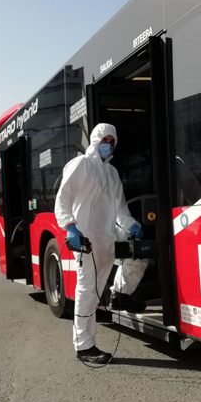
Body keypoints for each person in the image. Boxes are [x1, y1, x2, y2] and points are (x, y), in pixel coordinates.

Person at [55, 123, 145, 364]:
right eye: (104, 140)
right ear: (95, 140)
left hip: (109, 236)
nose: (108, 144)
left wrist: (131, 225)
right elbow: (63, 198)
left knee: (140, 255)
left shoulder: (112, 172)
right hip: (87, 239)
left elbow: (120, 208)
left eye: (112, 141)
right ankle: (84, 347)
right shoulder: (81, 164)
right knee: (88, 292)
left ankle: (120, 294)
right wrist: (70, 226)